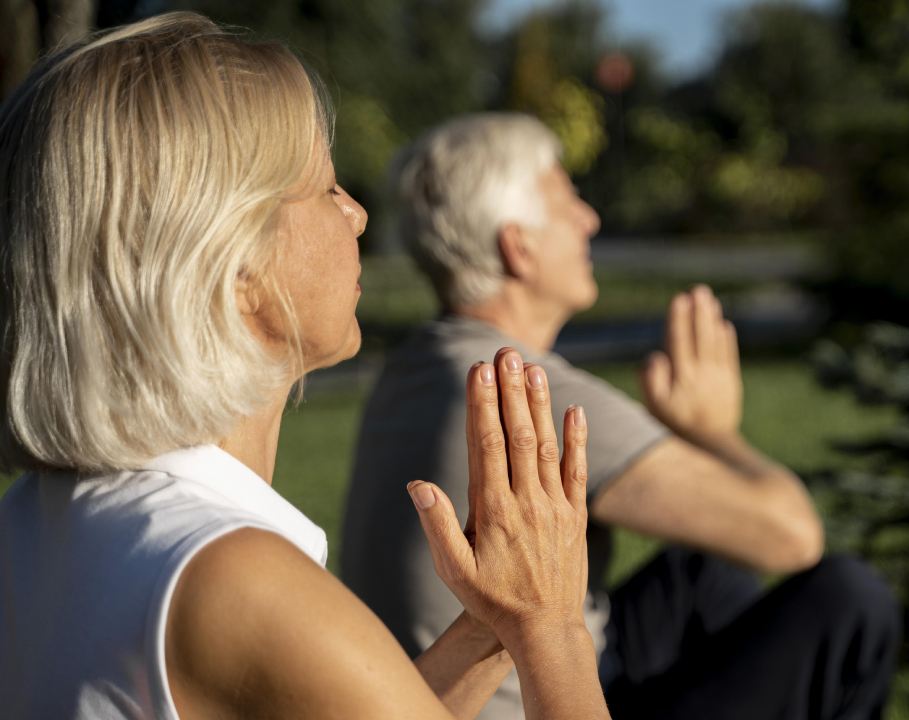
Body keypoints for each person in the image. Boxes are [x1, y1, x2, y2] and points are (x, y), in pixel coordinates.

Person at [0, 15, 610, 720]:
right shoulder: (235, 580)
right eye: (324, 187)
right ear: (234, 266)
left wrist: (490, 628)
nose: (354, 215)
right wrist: (551, 626)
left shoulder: (37, 523)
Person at [342, 113, 901, 720]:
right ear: (518, 246)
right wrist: (714, 433)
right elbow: (791, 537)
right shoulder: (522, 388)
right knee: (850, 601)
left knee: (707, 574)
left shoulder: (414, 367)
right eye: (567, 199)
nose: (591, 219)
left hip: (444, 692)